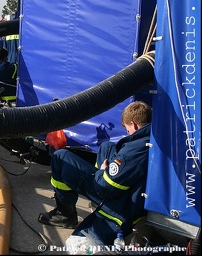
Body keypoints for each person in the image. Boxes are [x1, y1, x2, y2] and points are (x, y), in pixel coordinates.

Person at [38, 101, 152, 245]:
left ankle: (65, 214)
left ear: (134, 124)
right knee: (107, 146)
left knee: (60, 157)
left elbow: (105, 187)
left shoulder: (133, 152)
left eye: (127, 129)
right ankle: (97, 198)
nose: (127, 133)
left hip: (112, 197)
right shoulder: (150, 138)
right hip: (129, 192)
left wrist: (102, 173)